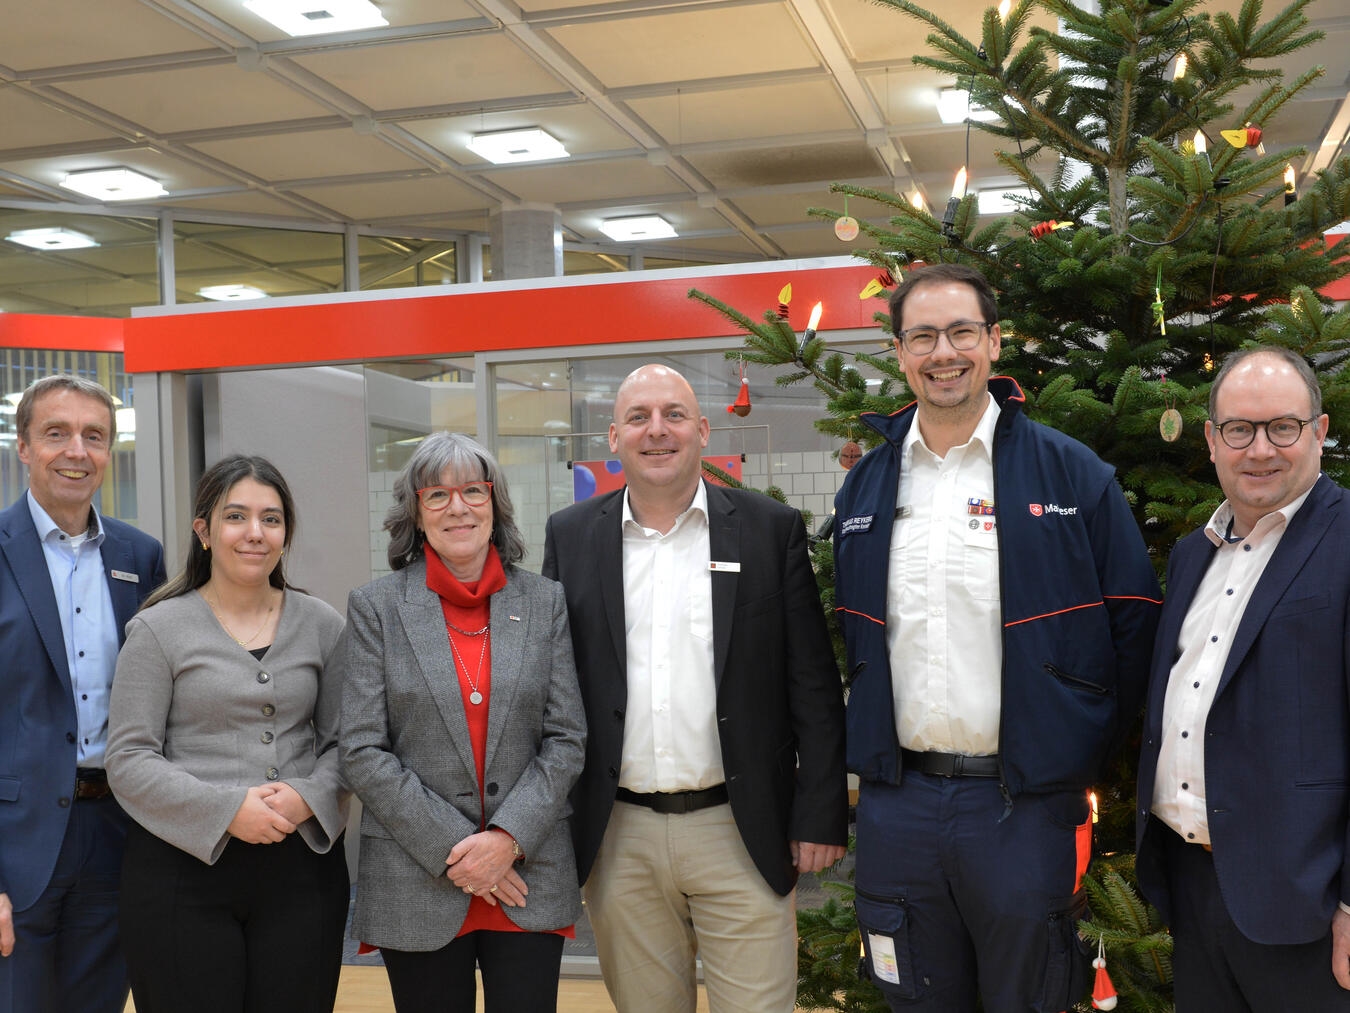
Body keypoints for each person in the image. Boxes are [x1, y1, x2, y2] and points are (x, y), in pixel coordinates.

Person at [832, 263, 1161, 1012]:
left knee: (1034, 997)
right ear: (899, 350)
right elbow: (850, 628)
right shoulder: (870, 483)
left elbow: (1136, 616)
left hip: (1022, 808)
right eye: (923, 335)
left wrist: (1077, 745)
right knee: (914, 994)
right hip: (899, 803)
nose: (943, 352)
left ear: (994, 340)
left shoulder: (1071, 473)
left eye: (961, 332)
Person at [542, 363, 848, 1013]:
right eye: (639, 417)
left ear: (703, 431)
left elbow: (814, 687)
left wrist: (820, 811)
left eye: (674, 414)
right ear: (614, 436)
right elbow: (551, 685)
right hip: (619, 835)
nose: (658, 430)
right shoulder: (570, 536)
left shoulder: (770, 530)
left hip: (741, 828)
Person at [337, 432, 586, 1013]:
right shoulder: (377, 607)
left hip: (526, 872)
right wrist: (462, 851)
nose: (458, 507)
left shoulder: (545, 601)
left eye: (473, 490)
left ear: (494, 504)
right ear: (414, 514)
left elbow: (567, 737)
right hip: (417, 876)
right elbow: (362, 750)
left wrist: (505, 841)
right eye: (437, 495)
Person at [1135, 346, 1350, 1011]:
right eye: (1239, 429)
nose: (1260, 449)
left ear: (1318, 431)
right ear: (1210, 439)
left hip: (1307, 903)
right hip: (1196, 888)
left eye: (1282, 426)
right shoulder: (1194, 553)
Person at [105, 454, 349, 1013]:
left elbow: (348, 744)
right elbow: (130, 757)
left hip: (301, 874)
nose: (255, 533)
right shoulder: (157, 628)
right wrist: (227, 810)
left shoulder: (324, 624)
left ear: (286, 534)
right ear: (204, 531)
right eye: (236, 516)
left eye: (272, 518)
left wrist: (304, 795)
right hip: (179, 873)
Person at [0, 375, 165, 1013]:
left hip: (116, 834)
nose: (76, 450)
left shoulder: (139, 556)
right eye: (56, 433)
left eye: (94, 436)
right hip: (16, 843)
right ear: (23, 447)